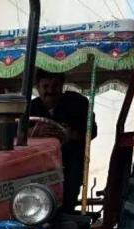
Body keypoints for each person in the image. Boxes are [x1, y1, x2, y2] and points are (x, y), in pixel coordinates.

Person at [29, 70, 97, 213]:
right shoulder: (30, 107)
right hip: (38, 165)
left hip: (69, 163)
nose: (50, 91)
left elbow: (92, 132)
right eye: (45, 86)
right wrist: (34, 133)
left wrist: (69, 134)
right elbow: (16, 133)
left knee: (66, 199)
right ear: (38, 87)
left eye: (55, 86)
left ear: (62, 85)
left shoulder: (78, 103)